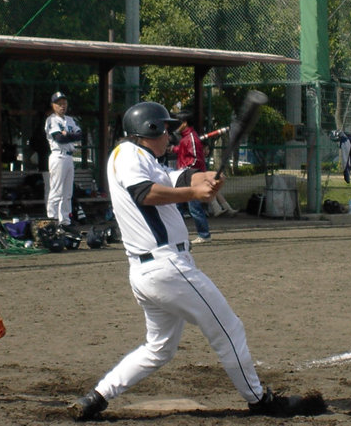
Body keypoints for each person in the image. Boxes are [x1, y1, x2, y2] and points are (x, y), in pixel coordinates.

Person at [69, 102, 317, 420]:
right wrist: (194, 194)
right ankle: (260, 400)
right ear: (148, 130)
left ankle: (96, 398)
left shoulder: (142, 158)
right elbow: (145, 193)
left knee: (159, 348)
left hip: (151, 271)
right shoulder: (128, 154)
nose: (169, 135)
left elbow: (177, 177)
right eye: (164, 129)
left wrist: (204, 177)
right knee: (229, 328)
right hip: (166, 267)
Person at [168, 110, 211, 244]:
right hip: (185, 176)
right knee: (178, 207)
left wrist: (186, 171)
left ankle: (204, 235)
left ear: (185, 123)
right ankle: (176, 235)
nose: (176, 126)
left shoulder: (191, 137)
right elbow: (183, 150)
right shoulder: (186, 138)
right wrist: (173, 149)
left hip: (191, 177)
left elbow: (195, 159)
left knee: (194, 208)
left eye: (178, 123)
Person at [44, 91, 82, 230]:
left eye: (64, 103)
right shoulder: (51, 120)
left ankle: (65, 221)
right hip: (58, 156)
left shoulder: (70, 120)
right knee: (57, 191)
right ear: (53, 105)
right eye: (59, 103)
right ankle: (52, 220)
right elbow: (59, 138)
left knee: (67, 193)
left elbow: (80, 135)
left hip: (69, 156)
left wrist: (68, 134)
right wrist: (70, 135)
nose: (62, 106)